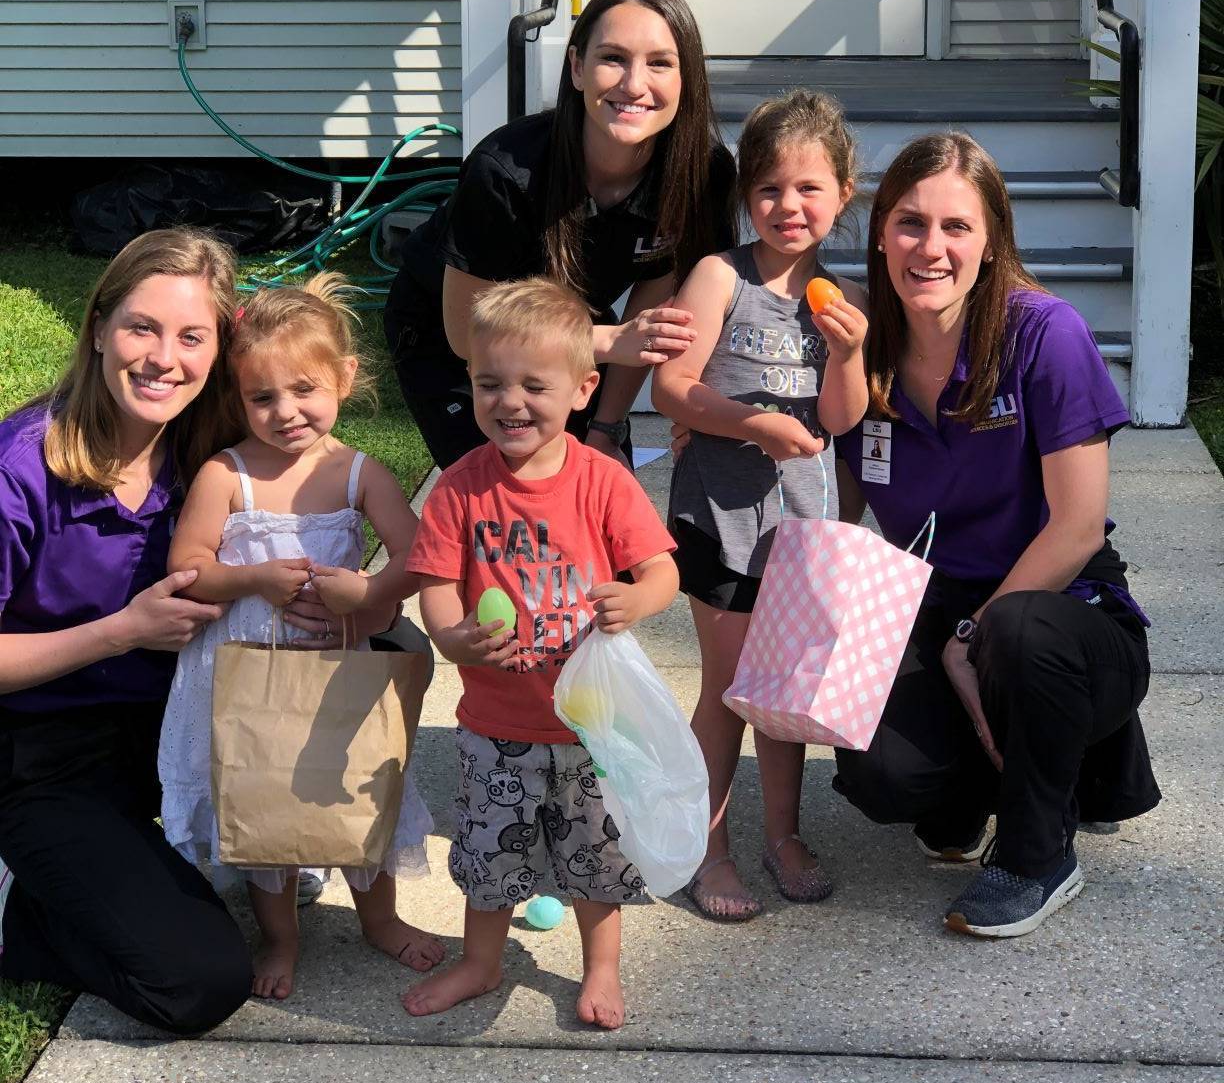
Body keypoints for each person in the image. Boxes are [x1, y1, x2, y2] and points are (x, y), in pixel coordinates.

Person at [832, 132, 1158, 939]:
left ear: (991, 241)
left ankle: (1037, 855)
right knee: (883, 780)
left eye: (956, 227)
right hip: (933, 598)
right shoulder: (857, 347)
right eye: (909, 222)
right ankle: (1019, 772)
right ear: (880, 232)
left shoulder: (1045, 334)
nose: (930, 247)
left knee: (1014, 632)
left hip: (1059, 608)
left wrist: (970, 636)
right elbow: (831, 510)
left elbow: (1078, 527)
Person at [403, 278, 679, 1029]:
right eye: (490, 384)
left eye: (534, 384)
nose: (510, 401)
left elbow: (661, 569)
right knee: (491, 861)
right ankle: (482, 963)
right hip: (497, 724)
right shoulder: (462, 490)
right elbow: (434, 585)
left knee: (597, 861)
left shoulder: (601, 482)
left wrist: (639, 598)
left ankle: (602, 970)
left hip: (591, 725)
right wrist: (453, 634)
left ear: (585, 389)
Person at [158, 273, 440, 1001]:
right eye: (262, 397)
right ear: (237, 397)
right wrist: (250, 580)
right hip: (246, 672)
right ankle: (281, 937)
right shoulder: (229, 475)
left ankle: (380, 920)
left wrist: (370, 599)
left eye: (305, 390)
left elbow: (421, 556)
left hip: (334, 669)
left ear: (345, 378)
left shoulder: (358, 475)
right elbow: (187, 567)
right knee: (265, 803)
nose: (286, 413)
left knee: (352, 796)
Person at [0, 229, 252, 1033]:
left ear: (219, 349)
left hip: (163, 732)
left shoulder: (209, 454)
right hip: (36, 758)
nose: (162, 358)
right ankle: (14, 908)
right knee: (200, 980)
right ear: (99, 327)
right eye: (142, 327)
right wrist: (123, 630)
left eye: (191, 336)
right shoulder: (23, 463)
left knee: (390, 650)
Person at [653, 90, 869, 922]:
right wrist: (752, 424)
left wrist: (847, 355)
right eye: (771, 188)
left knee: (783, 690)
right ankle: (710, 848)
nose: (790, 206)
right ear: (747, 194)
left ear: (843, 194)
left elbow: (842, 420)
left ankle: (783, 832)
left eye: (810, 189)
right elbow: (674, 389)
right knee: (730, 686)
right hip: (720, 517)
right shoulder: (722, 276)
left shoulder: (837, 297)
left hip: (801, 530)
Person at [384, 0, 736, 471]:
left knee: (598, 487)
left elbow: (654, 308)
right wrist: (611, 341)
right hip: (456, 345)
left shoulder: (704, 176)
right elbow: (469, 333)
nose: (634, 84)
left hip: (574, 324)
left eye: (660, 63)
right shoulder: (506, 171)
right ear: (576, 67)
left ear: (688, 80)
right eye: (612, 58)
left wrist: (606, 427)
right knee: (510, 496)